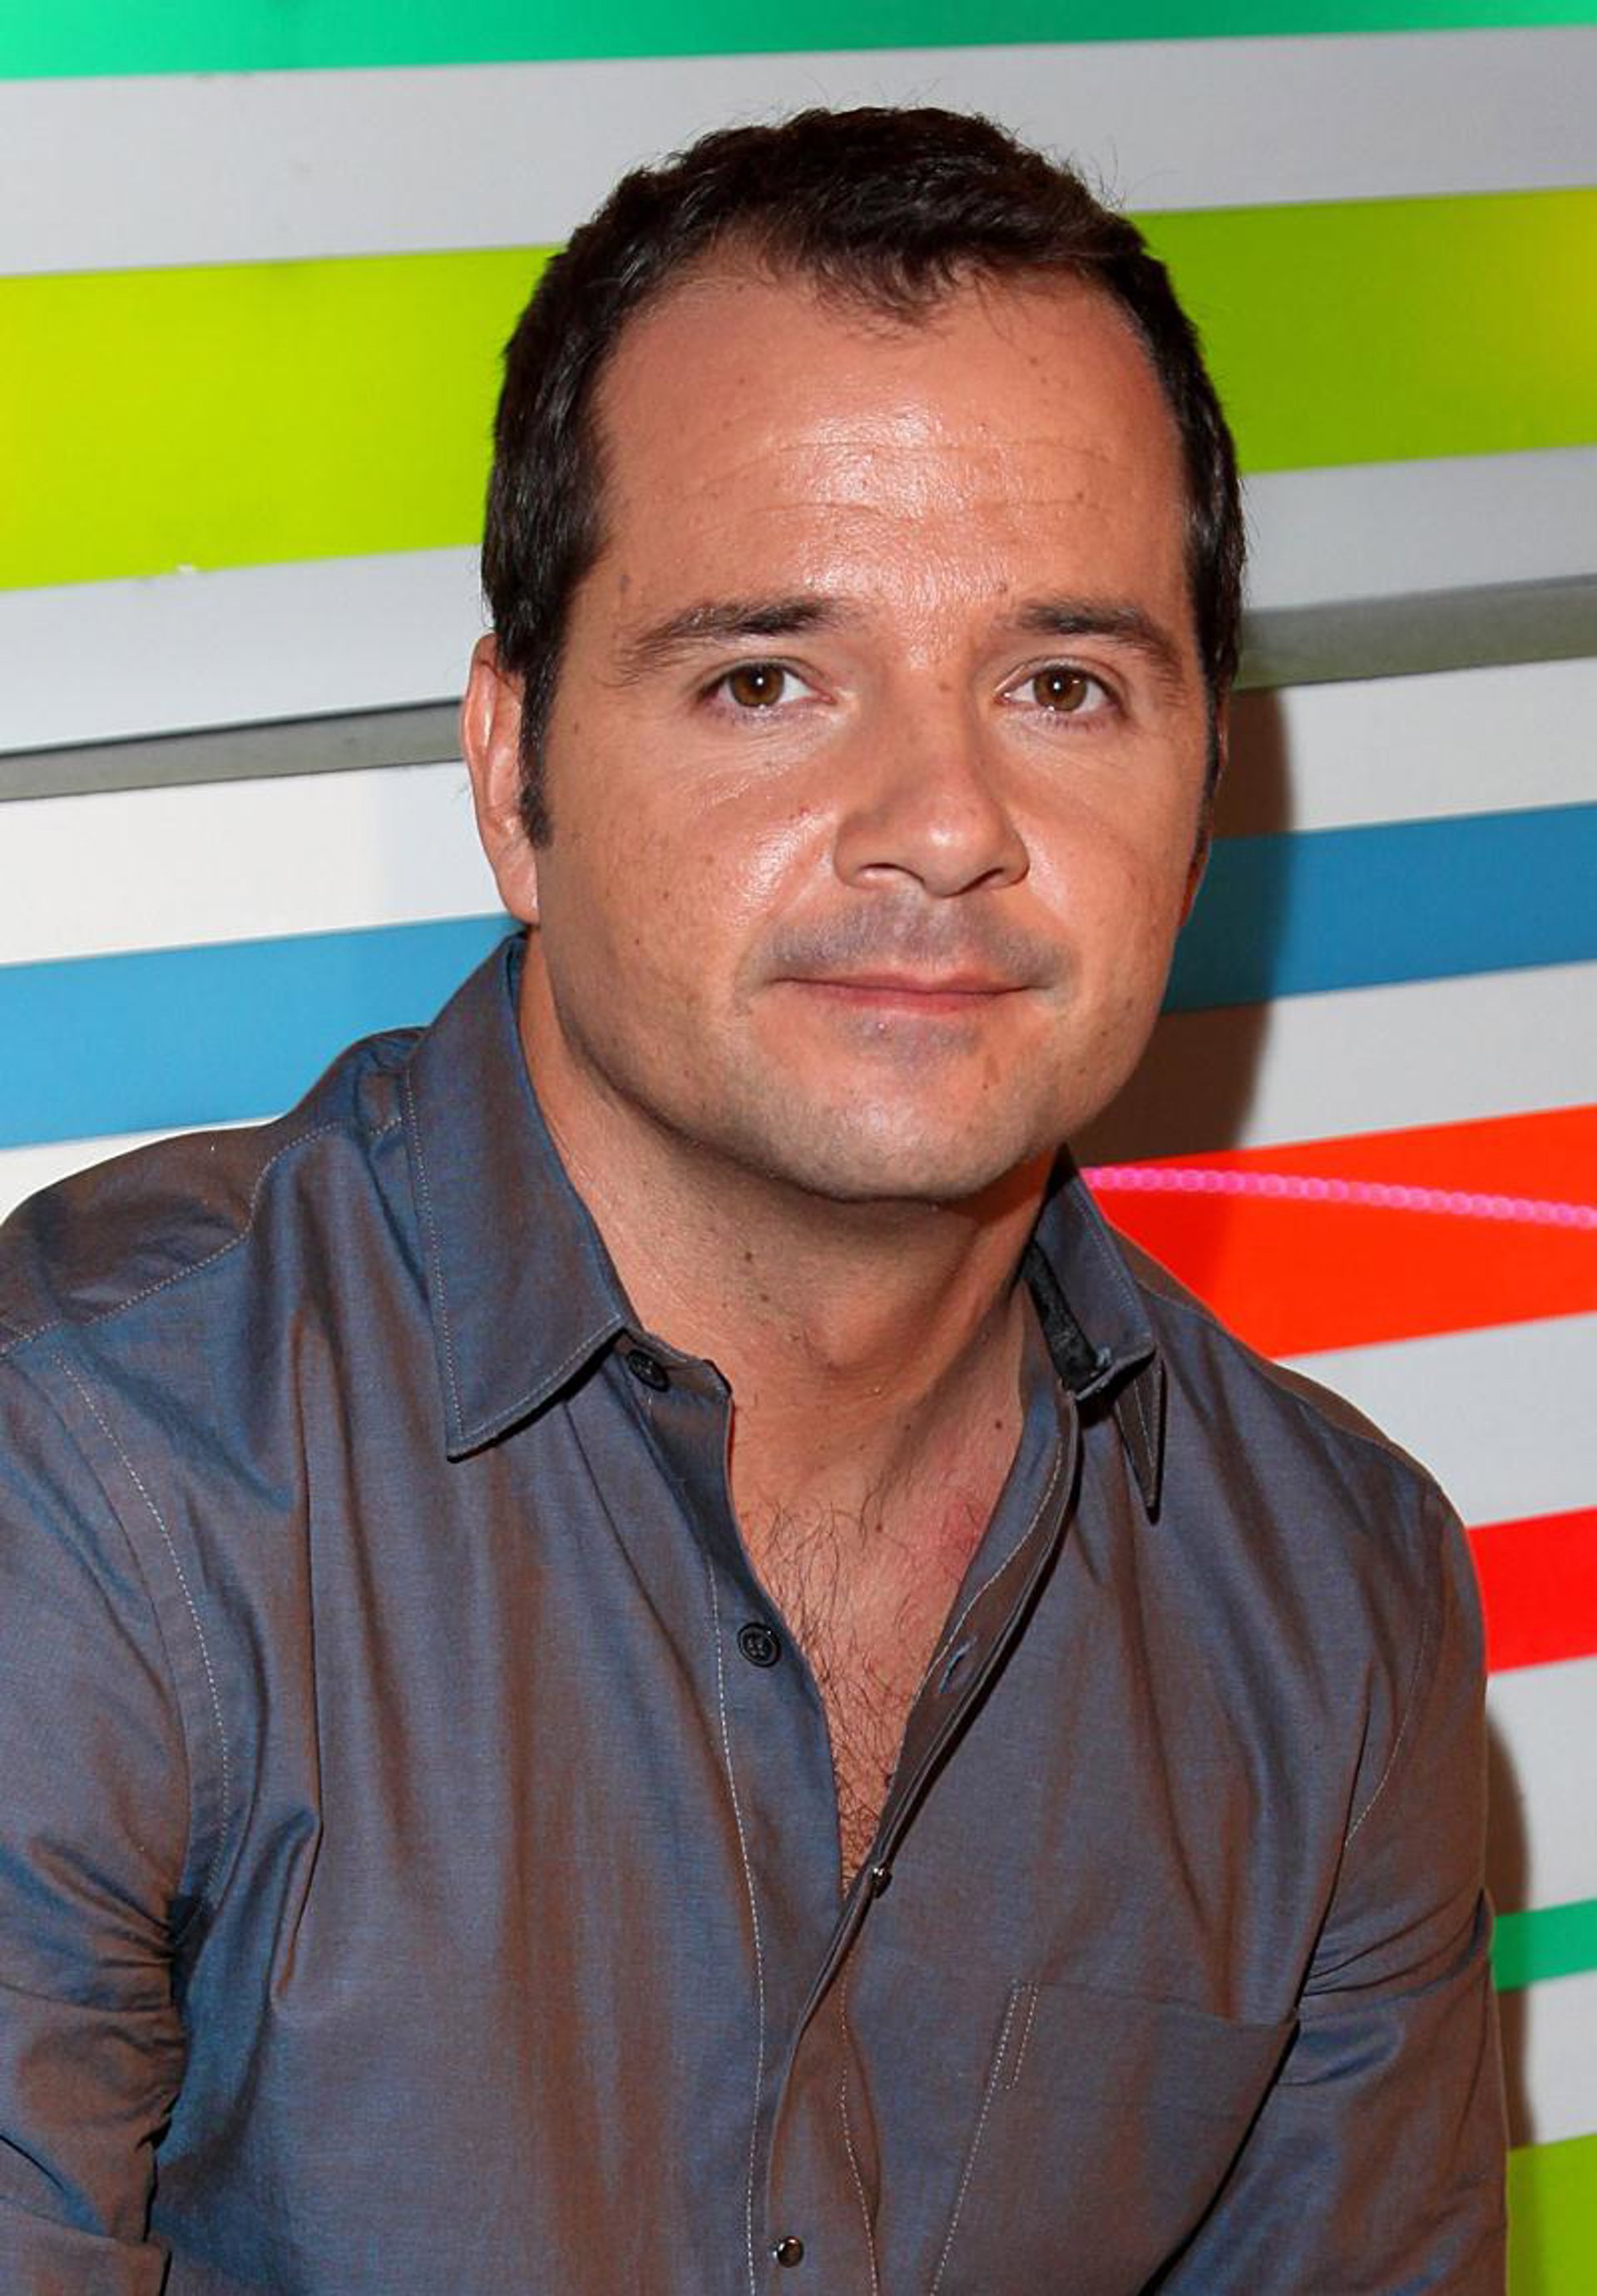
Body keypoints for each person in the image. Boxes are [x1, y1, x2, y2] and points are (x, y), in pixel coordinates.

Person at [0, 106, 1505, 2294]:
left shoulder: (1336, 1607)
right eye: (767, 681)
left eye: (1063, 686)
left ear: (1203, 800)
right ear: (512, 770)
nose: (942, 823)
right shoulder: (93, 1471)